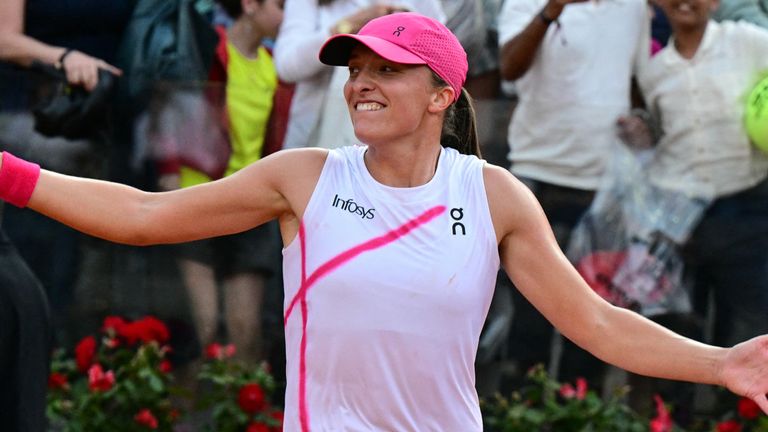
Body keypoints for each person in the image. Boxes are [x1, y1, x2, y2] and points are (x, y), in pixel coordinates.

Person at [2, 12, 768, 431]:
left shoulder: (494, 195)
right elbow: (141, 216)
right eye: (357, 70)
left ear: (440, 95)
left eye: (386, 71)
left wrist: (723, 364)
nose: (362, 83)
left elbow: (599, 326)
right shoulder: (302, 178)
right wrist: (10, 173)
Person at [622, 0, 768, 414]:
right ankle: (673, 419)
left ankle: (737, 422)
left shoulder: (751, 42)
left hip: (749, 211)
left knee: (749, 328)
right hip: (681, 220)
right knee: (679, 331)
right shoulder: (653, 72)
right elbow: (657, 141)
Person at [496, 0, 651, 386]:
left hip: (602, 187)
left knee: (593, 319)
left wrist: (639, 122)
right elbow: (509, 67)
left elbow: (635, 81)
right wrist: (552, 10)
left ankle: (579, 415)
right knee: (529, 318)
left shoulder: (633, 8)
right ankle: (520, 412)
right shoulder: (527, 3)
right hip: (535, 177)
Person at [155, 0, 285, 367]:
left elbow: (272, 143)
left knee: (245, 333)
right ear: (250, 5)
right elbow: (171, 103)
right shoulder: (206, 46)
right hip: (196, 199)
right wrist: (169, 171)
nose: (287, 15)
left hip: (248, 206)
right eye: (280, 5)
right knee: (205, 330)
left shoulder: (273, 66)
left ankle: (240, 419)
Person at [272, 0, 444, 149]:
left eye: (386, 69)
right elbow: (287, 66)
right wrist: (347, 25)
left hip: (397, 143)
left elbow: (440, 61)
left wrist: (405, 30)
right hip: (311, 135)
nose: (360, 84)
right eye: (352, 70)